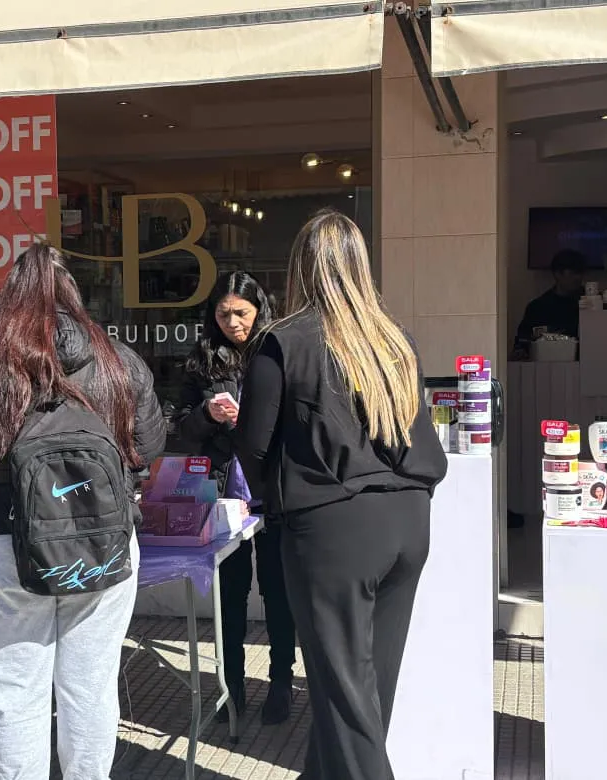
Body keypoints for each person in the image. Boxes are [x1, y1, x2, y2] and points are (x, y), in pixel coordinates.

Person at [0, 244, 166, 780]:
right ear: (73, 293)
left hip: (2, 543)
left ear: (8, 299)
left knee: (13, 695)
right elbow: (147, 445)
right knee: (91, 689)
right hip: (103, 543)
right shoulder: (119, 364)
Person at [233, 210, 448, 780]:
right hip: (408, 521)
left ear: (301, 267)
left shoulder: (284, 341)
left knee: (348, 700)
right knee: (365, 691)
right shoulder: (395, 339)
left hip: (332, 530)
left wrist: (271, 505)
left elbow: (254, 446)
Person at [174, 271, 296, 725]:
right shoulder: (202, 360)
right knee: (231, 596)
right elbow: (182, 431)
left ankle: (282, 681)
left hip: (273, 491)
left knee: (279, 593)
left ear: (259, 310)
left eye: (241, 313)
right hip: (225, 494)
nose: (232, 322)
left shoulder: (278, 351)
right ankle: (233, 688)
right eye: (222, 314)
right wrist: (207, 413)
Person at [513, 249, 585, 357]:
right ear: (558, 274)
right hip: (546, 366)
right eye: (573, 273)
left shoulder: (590, 303)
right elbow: (523, 340)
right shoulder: (538, 307)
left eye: (580, 273)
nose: (578, 278)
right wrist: (520, 350)